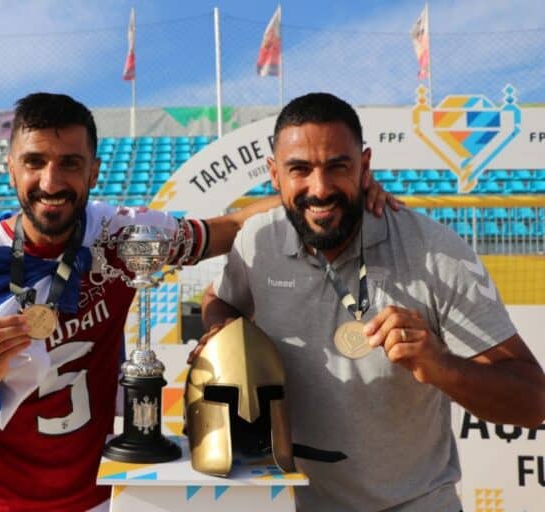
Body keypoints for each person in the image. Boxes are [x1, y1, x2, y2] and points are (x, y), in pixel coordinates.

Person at [0, 92, 396, 512]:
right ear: (11, 169)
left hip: (98, 495)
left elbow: (232, 227)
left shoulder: (122, 236)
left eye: (69, 163)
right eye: (34, 162)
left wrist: (322, 192)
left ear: (93, 171)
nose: (51, 182)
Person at [195, 92, 545, 511]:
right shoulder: (259, 239)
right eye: (300, 170)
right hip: (288, 503)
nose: (320, 188)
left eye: (337, 166)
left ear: (364, 166)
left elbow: (532, 403)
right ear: (275, 174)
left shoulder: (435, 251)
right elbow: (218, 298)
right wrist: (227, 339)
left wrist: (442, 367)